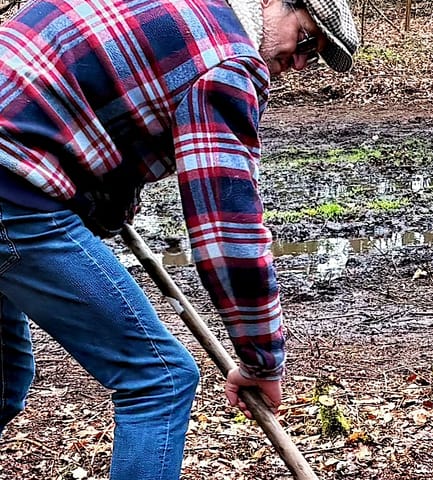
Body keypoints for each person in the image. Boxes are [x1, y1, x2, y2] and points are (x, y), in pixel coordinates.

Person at [0, 0, 358, 478]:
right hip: (11, 193)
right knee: (161, 380)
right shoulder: (226, 59)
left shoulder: (179, 14)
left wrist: (106, 205)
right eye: (306, 41)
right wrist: (261, 361)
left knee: (4, 380)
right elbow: (227, 230)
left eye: (311, 58)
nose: (297, 62)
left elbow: (93, 100)